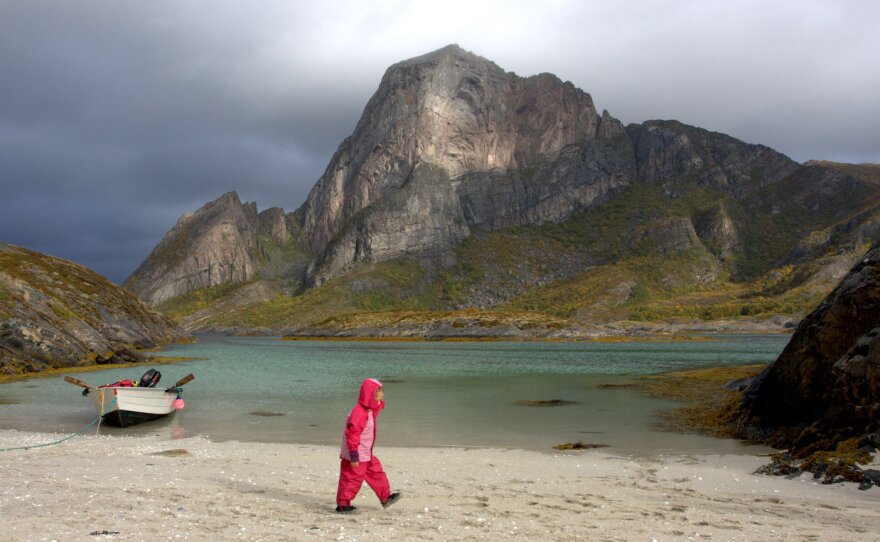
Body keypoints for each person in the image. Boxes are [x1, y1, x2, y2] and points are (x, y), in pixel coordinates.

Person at [335, 378, 401, 514]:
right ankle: (343, 504)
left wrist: (379, 404)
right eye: (378, 392)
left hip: (366, 452)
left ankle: (385, 497)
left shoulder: (369, 410)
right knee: (351, 478)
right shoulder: (359, 412)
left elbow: (375, 409)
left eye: (382, 392)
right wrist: (354, 455)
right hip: (356, 453)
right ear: (370, 394)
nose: (381, 395)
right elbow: (352, 433)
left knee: (376, 472)